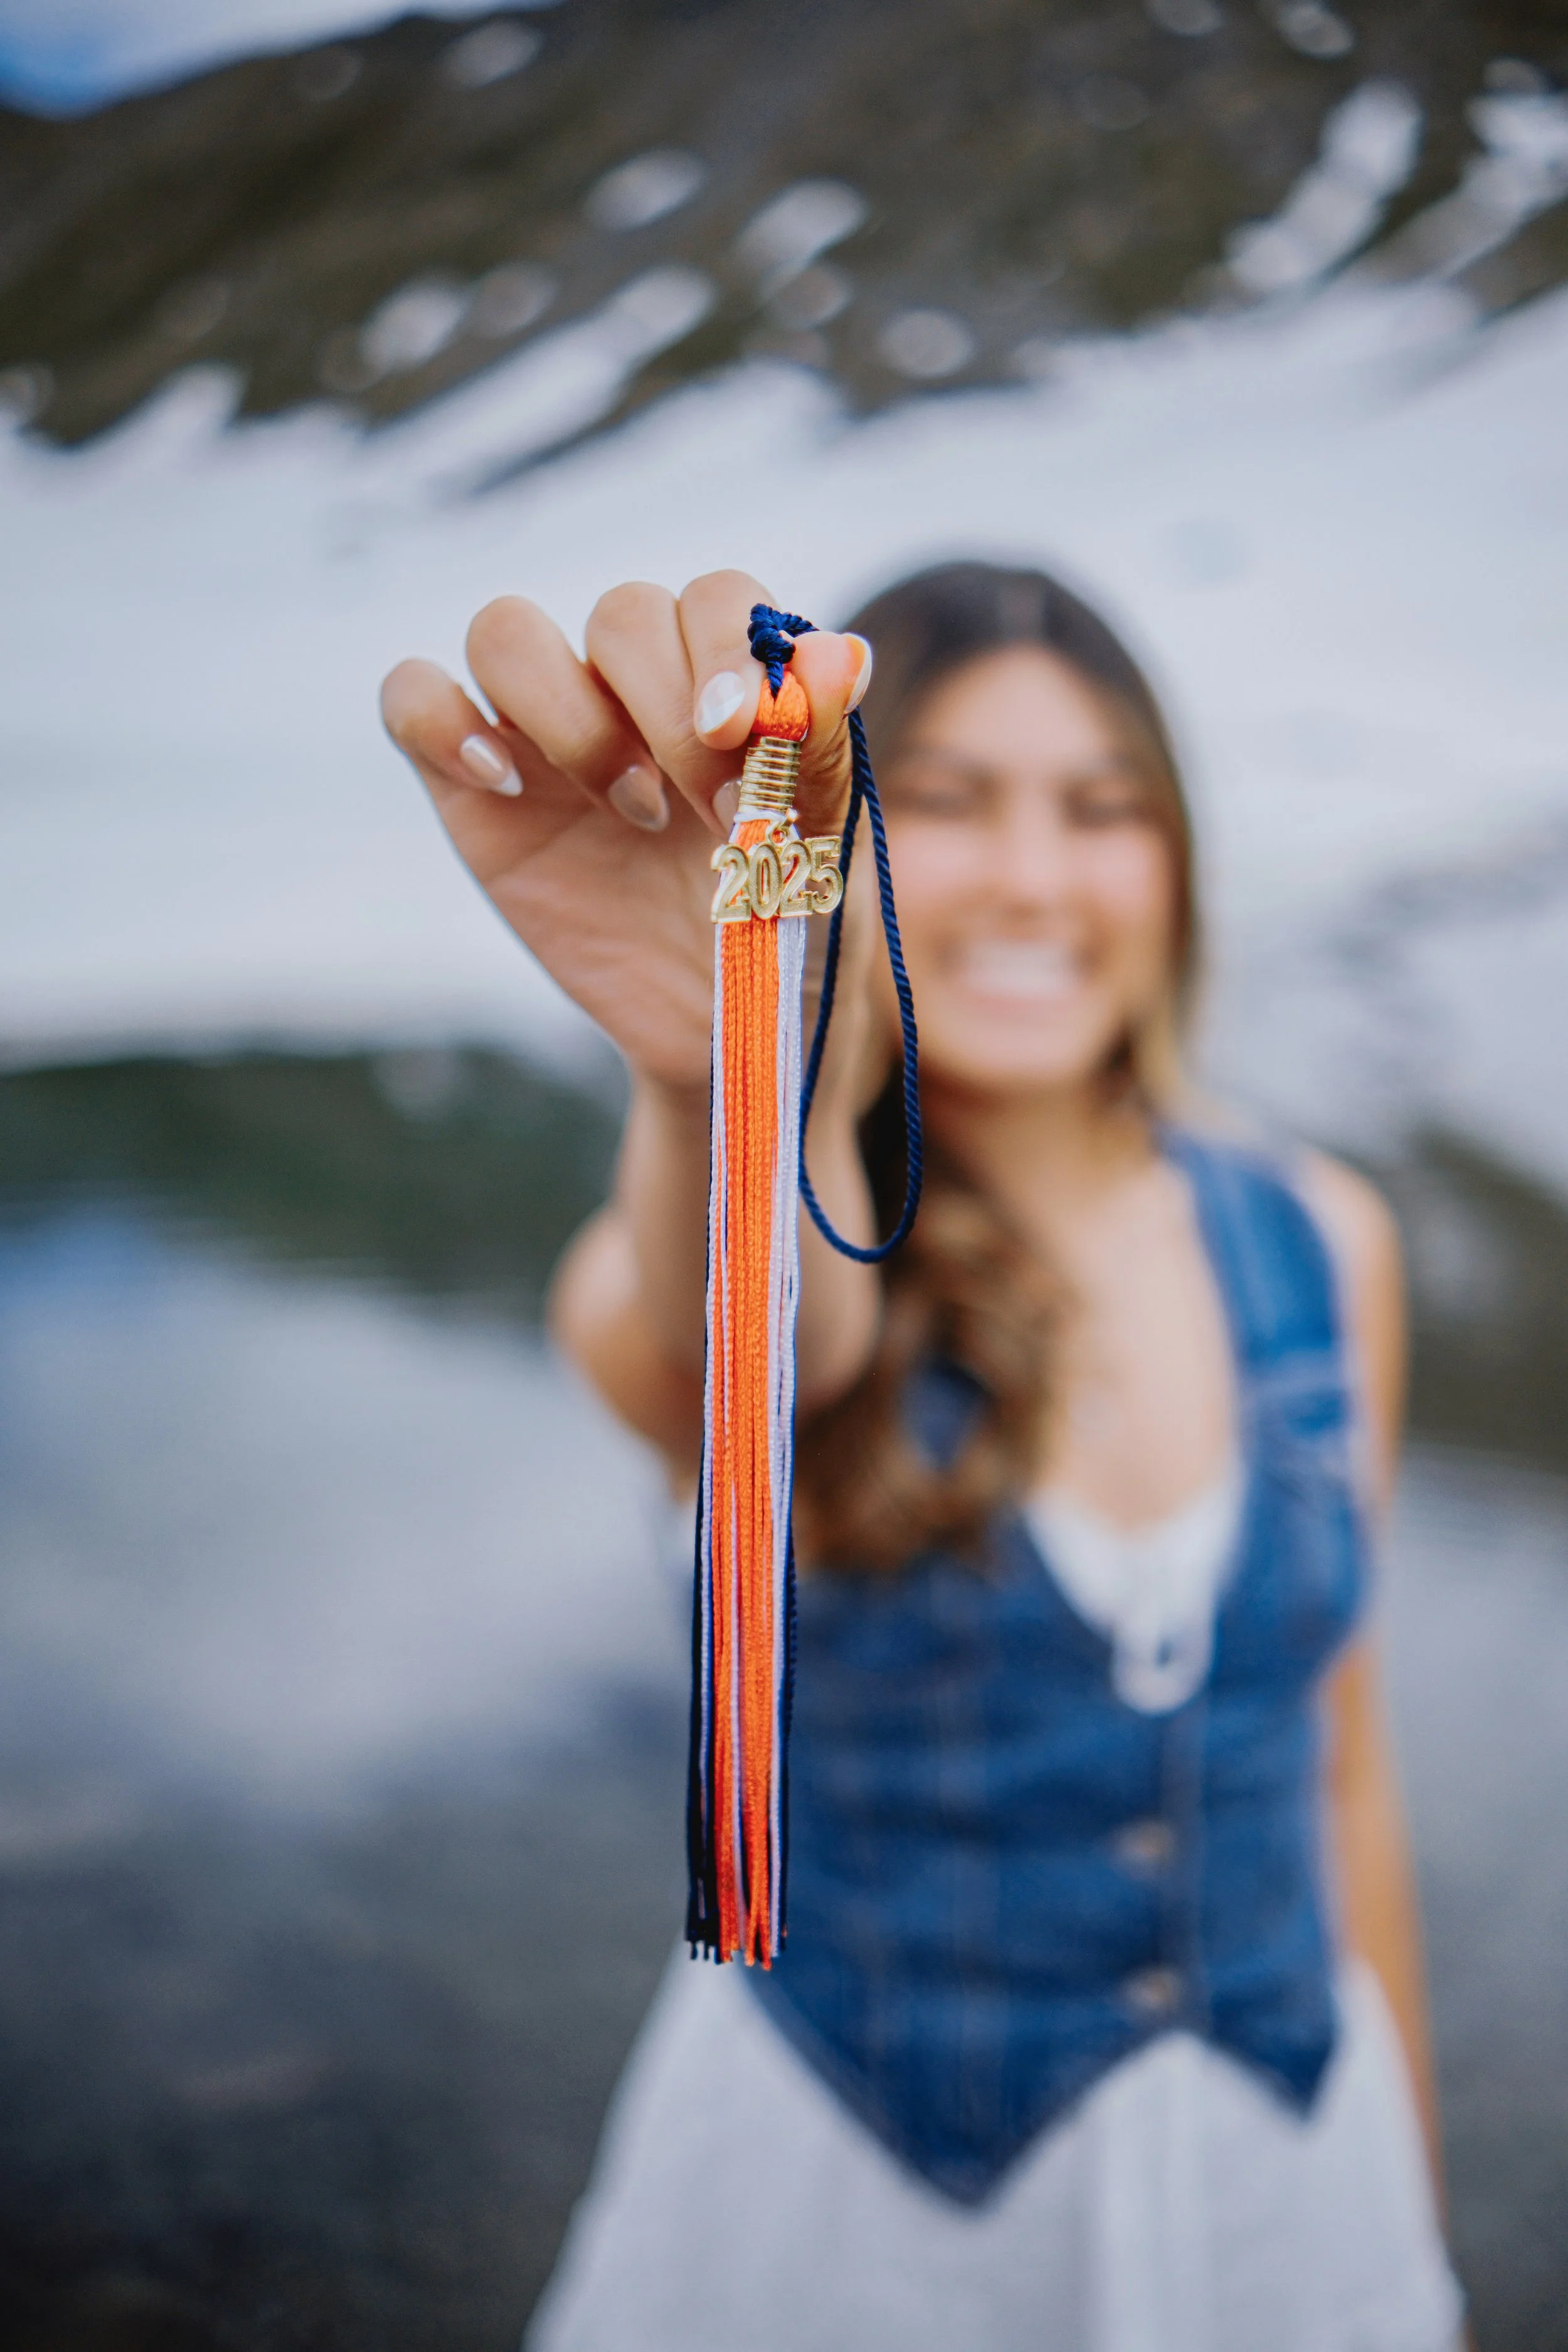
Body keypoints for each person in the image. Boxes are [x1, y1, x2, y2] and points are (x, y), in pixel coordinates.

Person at [381, 559, 1464, 2351]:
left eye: (1100, 808)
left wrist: (1404, 2220)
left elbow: (1342, 1775)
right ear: (845, 844)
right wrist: (713, 1070)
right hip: (858, 2233)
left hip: (1283, 2202)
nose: (1033, 876)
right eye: (950, 801)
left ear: (1176, 864)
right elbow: (736, 1321)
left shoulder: (1322, 1239)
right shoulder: (785, 1239)